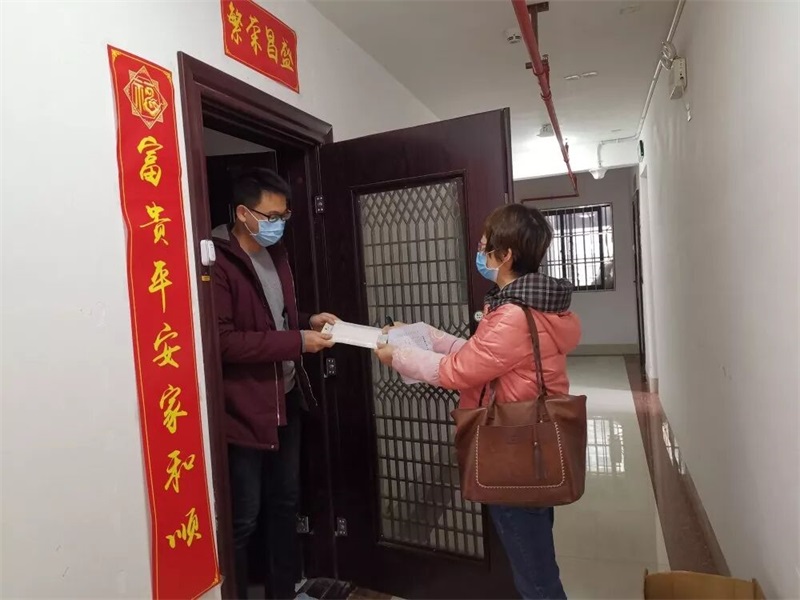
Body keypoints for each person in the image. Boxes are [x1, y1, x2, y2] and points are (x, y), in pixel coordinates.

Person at [375, 204, 581, 600]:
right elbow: (481, 355)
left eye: (485, 246)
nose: (479, 252)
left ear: (506, 255)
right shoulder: (532, 304)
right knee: (536, 557)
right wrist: (424, 334)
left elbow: (459, 371)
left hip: (512, 448)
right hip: (531, 445)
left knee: (536, 579)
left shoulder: (513, 314)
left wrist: (397, 356)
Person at [212, 168, 337, 600]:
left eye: (284, 216)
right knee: (243, 518)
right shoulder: (219, 263)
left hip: (286, 397)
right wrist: (297, 341)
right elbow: (225, 341)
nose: (278, 224)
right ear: (243, 213)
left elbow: (275, 319)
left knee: (285, 504)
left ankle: (283, 592)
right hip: (244, 409)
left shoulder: (276, 253)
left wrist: (308, 321)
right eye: (271, 216)